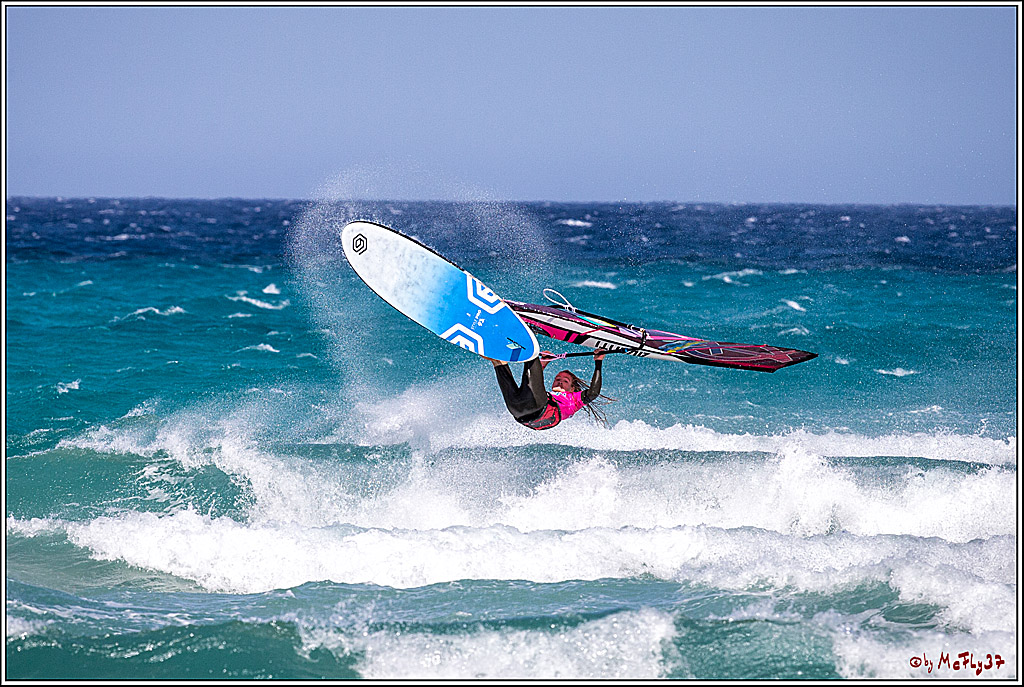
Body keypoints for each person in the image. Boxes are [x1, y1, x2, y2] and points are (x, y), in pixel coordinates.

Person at [489, 350, 614, 430]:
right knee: (498, 361)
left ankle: (527, 333)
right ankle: (487, 345)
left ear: (572, 388)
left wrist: (598, 362)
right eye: (558, 379)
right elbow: (532, 381)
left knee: (532, 355)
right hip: (519, 411)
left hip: (534, 410)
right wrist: (544, 362)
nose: (560, 381)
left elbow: (593, 392)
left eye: (566, 381)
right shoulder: (549, 396)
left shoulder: (575, 399)